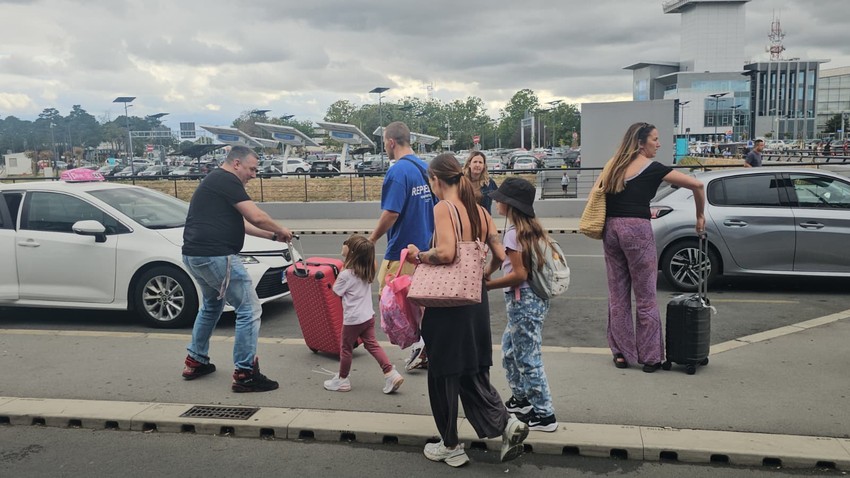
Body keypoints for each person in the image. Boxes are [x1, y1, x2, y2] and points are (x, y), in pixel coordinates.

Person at [404, 153, 528, 467]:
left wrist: (419, 255)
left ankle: (450, 445)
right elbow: (499, 256)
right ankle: (506, 423)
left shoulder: (443, 208)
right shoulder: (481, 212)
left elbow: (445, 253)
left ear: (435, 179)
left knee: (443, 374)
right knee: (470, 370)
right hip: (475, 301)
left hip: (448, 303)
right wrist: (484, 275)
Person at [180, 145, 293, 393]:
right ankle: (245, 373)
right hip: (217, 256)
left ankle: (196, 360)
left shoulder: (215, 180)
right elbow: (256, 216)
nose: (254, 174)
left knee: (211, 306)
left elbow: (240, 222)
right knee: (249, 309)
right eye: (252, 169)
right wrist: (280, 229)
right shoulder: (227, 180)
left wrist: (271, 238)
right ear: (237, 164)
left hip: (194, 255)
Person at [599, 123, 705, 373]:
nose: (658, 144)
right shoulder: (653, 168)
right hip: (637, 229)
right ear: (640, 143)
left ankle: (622, 353)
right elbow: (697, 186)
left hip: (611, 229)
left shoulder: (613, 164)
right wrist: (700, 217)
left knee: (618, 296)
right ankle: (650, 357)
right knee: (646, 296)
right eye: (655, 139)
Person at [485, 178, 558, 432]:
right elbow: (504, 258)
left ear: (510, 205)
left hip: (523, 302)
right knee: (509, 351)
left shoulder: (515, 233)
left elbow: (519, 274)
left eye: (499, 199)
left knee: (528, 358)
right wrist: (490, 270)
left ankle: (545, 414)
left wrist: (488, 285)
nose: (496, 202)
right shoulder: (527, 229)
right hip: (530, 302)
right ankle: (522, 399)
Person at [369, 121, 435, 372]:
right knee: (420, 304)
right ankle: (426, 347)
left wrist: (372, 239)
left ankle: (418, 346)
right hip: (424, 250)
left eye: (384, 142)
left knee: (390, 297)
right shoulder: (425, 168)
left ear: (390, 142)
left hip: (402, 252)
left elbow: (391, 214)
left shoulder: (397, 172)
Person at [323, 235, 405, 394]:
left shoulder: (345, 275)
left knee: (346, 349)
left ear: (351, 252)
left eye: (347, 243)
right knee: (372, 344)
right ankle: (390, 373)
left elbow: (336, 292)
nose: (344, 244)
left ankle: (342, 380)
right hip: (368, 317)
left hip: (353, 320)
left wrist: (343, 268)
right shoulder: (368, 269)